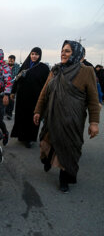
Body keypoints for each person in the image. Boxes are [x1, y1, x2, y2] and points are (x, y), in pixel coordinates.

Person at [34, 40, 100, 193]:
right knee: (46, 143)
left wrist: (94, 122)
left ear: (76, 54)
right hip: (51, 117)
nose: (63, 53)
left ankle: (64, 178)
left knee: (68, 149)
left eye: (68, 51)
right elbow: (44, 93)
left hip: (72, 121)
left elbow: (93, 99)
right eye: (62, 50)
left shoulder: (87, 71)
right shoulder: (56, 70)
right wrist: (38, 111)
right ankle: (47, 160)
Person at [10, 47, 50, 148]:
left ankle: (29, 138)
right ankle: (21, 135)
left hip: (35, 98)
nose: (34, 56)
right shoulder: (25, 65)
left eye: (36, 54)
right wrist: (13, 91)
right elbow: (17, 79)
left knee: (31, 118)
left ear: (39, 56)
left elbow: (47, 84)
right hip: (22, 97)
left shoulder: (43, 68)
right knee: (21, 116)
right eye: (32, 54)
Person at [6, 55, 20, 119]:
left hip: (13, 86)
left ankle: (9, 114)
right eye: (9, 60)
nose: (10, 62)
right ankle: (4, 113)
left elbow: (18, 75)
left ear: (14, 61)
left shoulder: (17, 67)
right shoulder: (5, 66)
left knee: (11, 101)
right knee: (4, 99)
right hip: (5, 86)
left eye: (12, 61)